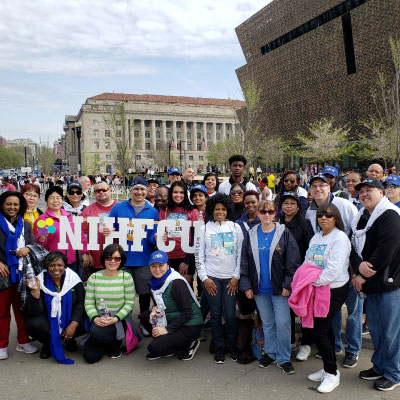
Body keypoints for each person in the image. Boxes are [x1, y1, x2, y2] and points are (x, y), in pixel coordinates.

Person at [351, 178, 400, 391]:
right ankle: (379, 366)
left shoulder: (390, 215)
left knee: (391, 331)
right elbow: (352, 245)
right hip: (372, 285)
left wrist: (363, 274)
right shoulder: (362, 217)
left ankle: (394, 373)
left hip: (389, 283)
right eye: (361, 191)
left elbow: (385, 250)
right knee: (378, 330)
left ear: (382, 192)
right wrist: (357, 265)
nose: (364, 194)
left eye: (369, 190)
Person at [240, 200, 300, 375]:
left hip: (280, 288)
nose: (267, 214)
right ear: (257, 213)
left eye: (270, 211)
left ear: (276, 213)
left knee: (283, 323)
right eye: (263, 211)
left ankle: (284, 358)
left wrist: (288, 283)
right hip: (259, 289)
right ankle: (271, 353)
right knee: (267, 322)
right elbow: (244, 262)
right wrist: (247, 286)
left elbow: (293, 261)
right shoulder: (251, 234)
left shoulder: (284, 233)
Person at [300, 203, 351, 393]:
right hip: (317, 288)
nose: (323, 218)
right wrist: (307, 279)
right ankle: (328, 367)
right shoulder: (317, 237)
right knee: (326, 329)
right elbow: (308, 260)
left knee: (319, 332)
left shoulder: (340, 238)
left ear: (335, 217)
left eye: (328, 215)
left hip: (334, 289)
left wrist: (310, 282)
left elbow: (334, 270)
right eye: (321, 215)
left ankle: (332, 374)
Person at [195, 194, 243, 364]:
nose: (220, 212)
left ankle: (231, 346)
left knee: (230, 315)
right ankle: (219, 347)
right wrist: (204, 278)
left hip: (230, 279)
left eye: (223, 209)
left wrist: (236, 277)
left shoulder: (235, 227)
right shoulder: (205, 229)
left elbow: (240, 254)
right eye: (217, 209)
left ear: (228, 210)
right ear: (211, 211)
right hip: (212, 278)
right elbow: (199, 256)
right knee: (215, 315)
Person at [107, 176, 158, 316]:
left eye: (142, 189)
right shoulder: (118, 207)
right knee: (123, 293)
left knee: (144, 293)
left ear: (147, 191)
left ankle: (144, 319)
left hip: (143, 259)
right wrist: (106, 229)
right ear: (131, 190)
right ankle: (124, 320)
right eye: (136, 188)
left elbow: (152, 238)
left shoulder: (153, 212)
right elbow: (108, 228)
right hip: (123, 259)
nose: (139, 192)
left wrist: (157, 238)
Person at [141, 250, 203, 361]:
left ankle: (189, 343)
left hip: (190, 324)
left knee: (154, 348)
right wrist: (154, 309)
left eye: (161, 265)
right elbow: (158, 303)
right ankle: (171, 343)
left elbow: (188, 313)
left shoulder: (176, 283)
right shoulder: (154, 281)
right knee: (146, 316)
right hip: (172, 319)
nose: (157, 269)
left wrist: (167, 329)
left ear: (168, 265)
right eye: (153, 266)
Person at [24, 251, 86, 362]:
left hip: (70, 317)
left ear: (65, 266)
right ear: (46, 267)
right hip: (48, 320)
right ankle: (47, 344)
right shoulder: (39, 281)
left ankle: (69, 339)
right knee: (33, 323)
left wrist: (74, 324)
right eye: (52, 265)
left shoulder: (74, 280)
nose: (56, 268)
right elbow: (34, 312)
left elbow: (81, 303)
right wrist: (36, 292)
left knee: (87, 320)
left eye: (59, 265)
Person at [83, 244, 138, 363]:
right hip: (100, 317)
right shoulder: (94, 277)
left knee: (98, 333)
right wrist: (95, 318)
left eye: (117, 258)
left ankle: (114, 344)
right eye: (109, 258)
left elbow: (129, 303)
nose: (112, 261)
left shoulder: (126, 277)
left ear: (121, 260)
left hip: (119, 318)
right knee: (90, 357)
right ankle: (106, 342)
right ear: (103, 259)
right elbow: (88, 303)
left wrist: (116, 318)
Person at [0, 191, 38, 360]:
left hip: (22, 273)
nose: (12, 207)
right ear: (2, 205)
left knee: (22, 310)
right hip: (3, 273)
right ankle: (2, 345)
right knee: (2, 312)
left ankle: (23, 341)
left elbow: (33, 245)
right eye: (8, 204)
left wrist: (27, 249)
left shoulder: (26, 224)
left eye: (15, 204)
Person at [278, 191, 315, 359]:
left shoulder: (305, 224)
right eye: (286, 203)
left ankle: (306, 343)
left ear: (299, 207)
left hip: (301, 273)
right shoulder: (277, 222)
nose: (289, 206)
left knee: (305, 308)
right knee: (288, 309)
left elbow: (311, 248)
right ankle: (291, 339)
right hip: (281, 273)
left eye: (292, 203)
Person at [33, 186, 90, 272]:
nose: (55, 201)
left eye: (58, 198)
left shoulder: (69, 216)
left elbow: (80, 237)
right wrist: (42, 238)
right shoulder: (42, 219)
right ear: (46, 201)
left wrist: (84, 252)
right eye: (52, 198)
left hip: (71, 262)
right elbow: (37, 244)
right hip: (53, 263)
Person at [159, 181, 199, 282]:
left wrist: (186, 261)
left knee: (184, 291)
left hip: (186, 257)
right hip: (168, 257)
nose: (178, 195)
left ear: (185, 194)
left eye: (181, 192)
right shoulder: (164, 210)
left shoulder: (192, 211)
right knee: (168, 291)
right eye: (175, 192)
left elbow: (195, 238)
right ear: (170, 193)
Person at [80, 181, 118, 273]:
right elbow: (81, 235)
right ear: (94, 194)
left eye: (104, 189)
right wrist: (85, 253)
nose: (101, 192)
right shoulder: (87, 211)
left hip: (117, 259)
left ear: (110, 191)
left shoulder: (120, 207)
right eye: (97, 191)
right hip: (96, 260)